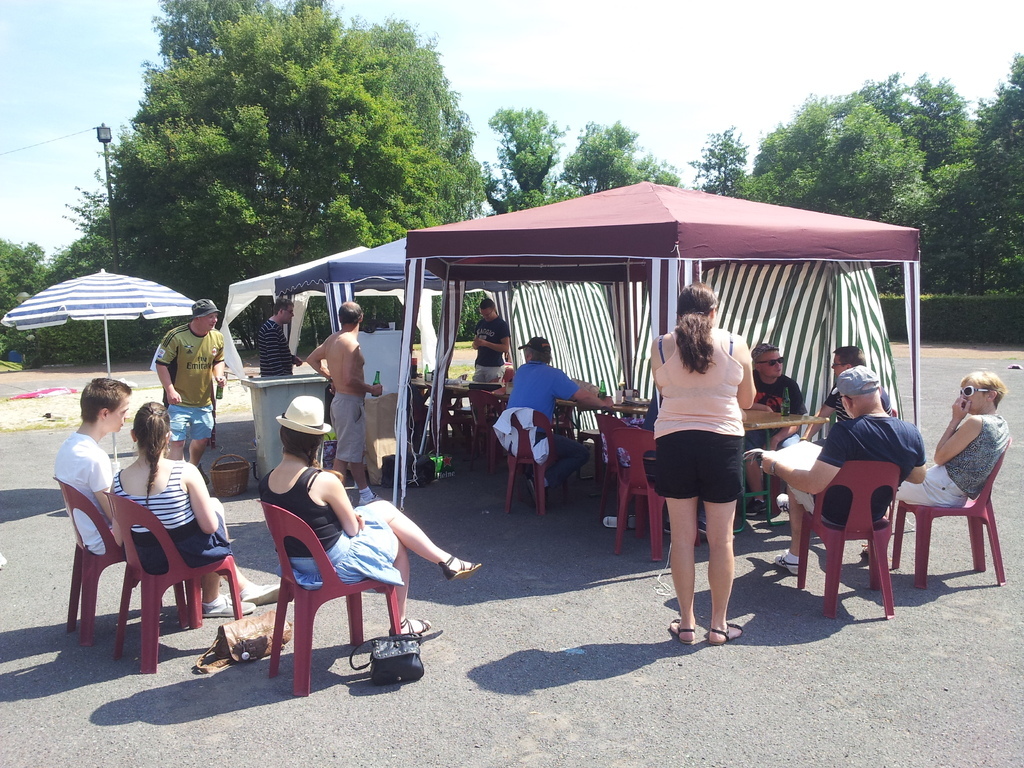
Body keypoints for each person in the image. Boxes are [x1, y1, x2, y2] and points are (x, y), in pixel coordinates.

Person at [259, 396, 481, 634]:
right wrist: (351, 518)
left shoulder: (266, 481)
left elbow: (305, 517)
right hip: (329, 567)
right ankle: (402, 620)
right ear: (316, 441)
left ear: (283, 435)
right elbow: (353, 529)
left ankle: (446, 560)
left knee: (382, 509)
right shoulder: (322, 481)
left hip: (293, 566)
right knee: (396, 543)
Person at [653, 283, 755, 646]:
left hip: (674, 441)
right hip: (722, 442)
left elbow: (664, 391)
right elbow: (747, 400)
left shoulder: (661, 345)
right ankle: (719, 626)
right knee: (721, 539)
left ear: (679, 313)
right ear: (714, 312)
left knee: (682, 539)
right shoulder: (735, 344)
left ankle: (686, 624)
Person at [756, 366, 926, 576]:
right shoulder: (911, 432)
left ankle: (795, 557)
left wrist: (775, 466)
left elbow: (813, 484)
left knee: (794, 484)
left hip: (833, 515)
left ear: (847, 402)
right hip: (877, 514)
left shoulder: (844, 432)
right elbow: (918, 477)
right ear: (879, 392)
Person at [113, 402, 278, 616]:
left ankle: (237, 589)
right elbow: (209, 527)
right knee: (213, 512)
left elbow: (119, 538)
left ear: (134, 435)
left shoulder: (118, 481)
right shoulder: (185, 471)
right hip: (186, 557)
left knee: (202, 519)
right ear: (168, 436)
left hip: (146, 559)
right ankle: (213, 600)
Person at [504, 336, 612, 497]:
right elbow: (582, 396)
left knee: (551, 439)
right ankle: (541, 481)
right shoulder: (554, 375)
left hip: (511, 438)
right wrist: (604, 404)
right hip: (537, 439)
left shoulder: (521, 372)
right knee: (581, 452)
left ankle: (530, 478)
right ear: (548, 356)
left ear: (529, 356)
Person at [306, 301, 383, 505]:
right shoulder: (351, 343)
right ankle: (331, 500)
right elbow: (349, 378)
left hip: (341, 400)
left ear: (340, 319)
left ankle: (364, 493)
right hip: (349, 403)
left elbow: (312, 359)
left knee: (353, 450)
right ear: (361, 318)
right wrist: (371, 389)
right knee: (343, 455)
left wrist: (332, 377)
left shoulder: (333, 339)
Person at [895, 371, 1010, 507]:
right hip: (949, 491)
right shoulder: (1001, 423)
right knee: (882, 480)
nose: (963, 397)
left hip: (939, 490)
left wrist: (956, 419)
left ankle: (875, 519)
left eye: (968, 391)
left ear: (991, 395)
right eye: (962, 392)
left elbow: (939, 457)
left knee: (878, 480)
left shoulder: (977, 422)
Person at [54, 378, 133, 555]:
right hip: (104, 539)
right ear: (105, 413)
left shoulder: (68, 446)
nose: (127, 416)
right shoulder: (94, 457)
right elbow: (114, 514)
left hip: (87, 536)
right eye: (123, 411)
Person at [155, 298, 226, 468]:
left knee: (202, 440)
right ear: (197, 318)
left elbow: (218, 360)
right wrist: (170, 390)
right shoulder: (175, 336)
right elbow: (160, 364)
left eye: (216, 316)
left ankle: (192, 468)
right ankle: (176, 475)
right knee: (177, 442)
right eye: (210, 316)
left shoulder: (217, 336)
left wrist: (219, 376)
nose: (215, 320)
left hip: (203, 401)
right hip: (178, 401)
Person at [744, 342, 806, 514]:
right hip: (754, 430)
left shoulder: (789, 385)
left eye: (780, 360)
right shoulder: (748, 381)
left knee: (793, 450)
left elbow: (797, 421)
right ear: (758, 366)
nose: (778, 365)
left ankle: (793, 499)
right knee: (747, 450)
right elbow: (736, 404)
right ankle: (759, 499)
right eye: (772, 362)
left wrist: (776, 438)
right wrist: (762, 408)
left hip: (783, 432)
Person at [802, 346, 892, 442]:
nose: (832, 367)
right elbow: (822, 414)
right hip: (846, 440)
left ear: (848, 367)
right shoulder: (841, 386)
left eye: (835, 364)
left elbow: (874, 434)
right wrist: (805, 439)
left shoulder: (870, 393)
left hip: (865, 443)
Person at [258, 295, 304, 377]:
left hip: (275, 378)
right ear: (281, 311)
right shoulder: (271, 329)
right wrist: (283, 379)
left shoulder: (274, 327)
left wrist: (291, 358)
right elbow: (273, 359)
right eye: (290, 311)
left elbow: (276, 352)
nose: (292, 315)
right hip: (274, 379)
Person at [472, 297, 511, 383]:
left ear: (494, 309)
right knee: (476, 388)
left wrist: (486, 343)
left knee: (492, 390)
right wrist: (476, 344)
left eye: (488, 314)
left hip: (494, 366)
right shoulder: (480, 323)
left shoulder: (501, 325)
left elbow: (505, 348)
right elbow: (474, 345)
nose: (486, 317)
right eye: (483, 314)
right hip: (480, 364)